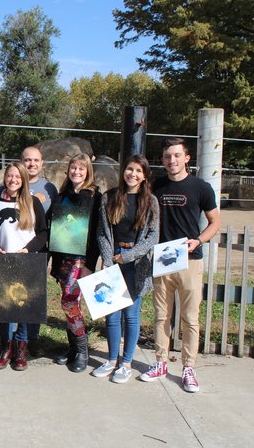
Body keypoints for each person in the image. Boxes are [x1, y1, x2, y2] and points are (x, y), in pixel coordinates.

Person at [141, 138, 220, 393]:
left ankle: (188, 368)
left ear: (187, 158)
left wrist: (198, 241)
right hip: (163, 259)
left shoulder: (201, 187)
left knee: (189, 318)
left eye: (176, 155)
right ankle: (161, 362)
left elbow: (214, 223)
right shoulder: (155, 186)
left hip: (190, 261)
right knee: (162, 316)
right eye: (166, 156)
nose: (171, 160)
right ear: (162, 160)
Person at [95, 154, 159, 383]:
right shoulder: (109, 197)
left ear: (144, 176)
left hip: (136, 264)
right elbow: (102, 232)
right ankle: (111, 360)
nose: (133, 174)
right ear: (124, 171)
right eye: (130, 169)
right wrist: (109, 259)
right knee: (112, 315)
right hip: (113, 261)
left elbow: (153, 236)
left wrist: (129, 256)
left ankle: (126, 363)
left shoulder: (150, 201)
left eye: (138, 171)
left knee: (131, 316)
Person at [0, 162, 47, 371]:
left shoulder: (32, 203)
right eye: (9, 176)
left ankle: (21, 347)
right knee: (5, 307)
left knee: (24, 308)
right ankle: (6, 347)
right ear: (5, 177)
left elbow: (43, 232)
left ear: (23, 180)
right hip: (3, 260)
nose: (13, 180)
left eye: (17, 177)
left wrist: (29, 249)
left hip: (26, 260)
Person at [51, 153, 100, 372]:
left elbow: (97, 233)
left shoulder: (94, 196)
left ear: (88, 171)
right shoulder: (62, 197)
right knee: (70, 305)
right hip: (63, 259)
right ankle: (72, 348)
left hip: (80, 261)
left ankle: (82, 350)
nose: (76, 172)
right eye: (73, 168)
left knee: (69, 303)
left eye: (81, 169)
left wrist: (89, 263)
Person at [21, 147, 58, 356]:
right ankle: (15, 339)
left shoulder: (49, 189)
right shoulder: (12, 182)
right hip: (14, 251)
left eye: (35, 160)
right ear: (21, 161)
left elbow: (56, 220)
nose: (32, 164)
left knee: (35, 296)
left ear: (42, 163)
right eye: (27, 160)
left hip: (39, 250)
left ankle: (32, 339)